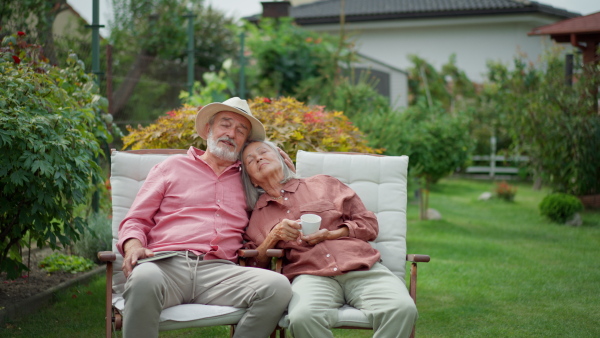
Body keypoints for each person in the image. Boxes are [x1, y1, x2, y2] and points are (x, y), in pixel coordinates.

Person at [117, 97, 292, 338]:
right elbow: (135, 220)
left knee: (278, 287)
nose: (231, 133)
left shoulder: (250, 179)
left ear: (244, 142)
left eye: (240, 130)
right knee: (143, 278)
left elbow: (287, 201)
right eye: (226, 124)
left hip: (220, 272)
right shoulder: (171, 167)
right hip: (167, 265)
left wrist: (286, 172)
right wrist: (133, 246)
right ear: (208, 129)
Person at [240, 140, 418, 338]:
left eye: (263, 152)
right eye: (250, 160)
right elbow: (254, 265)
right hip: (310, 276)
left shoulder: (323, 184)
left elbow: (368, 224)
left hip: (361, 267)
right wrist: (272, 237)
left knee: (403, 309)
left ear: (282, 159)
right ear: (252, 180)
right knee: (302, 317)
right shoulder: (258, 216)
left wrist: (332, 233)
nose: (259, 158)